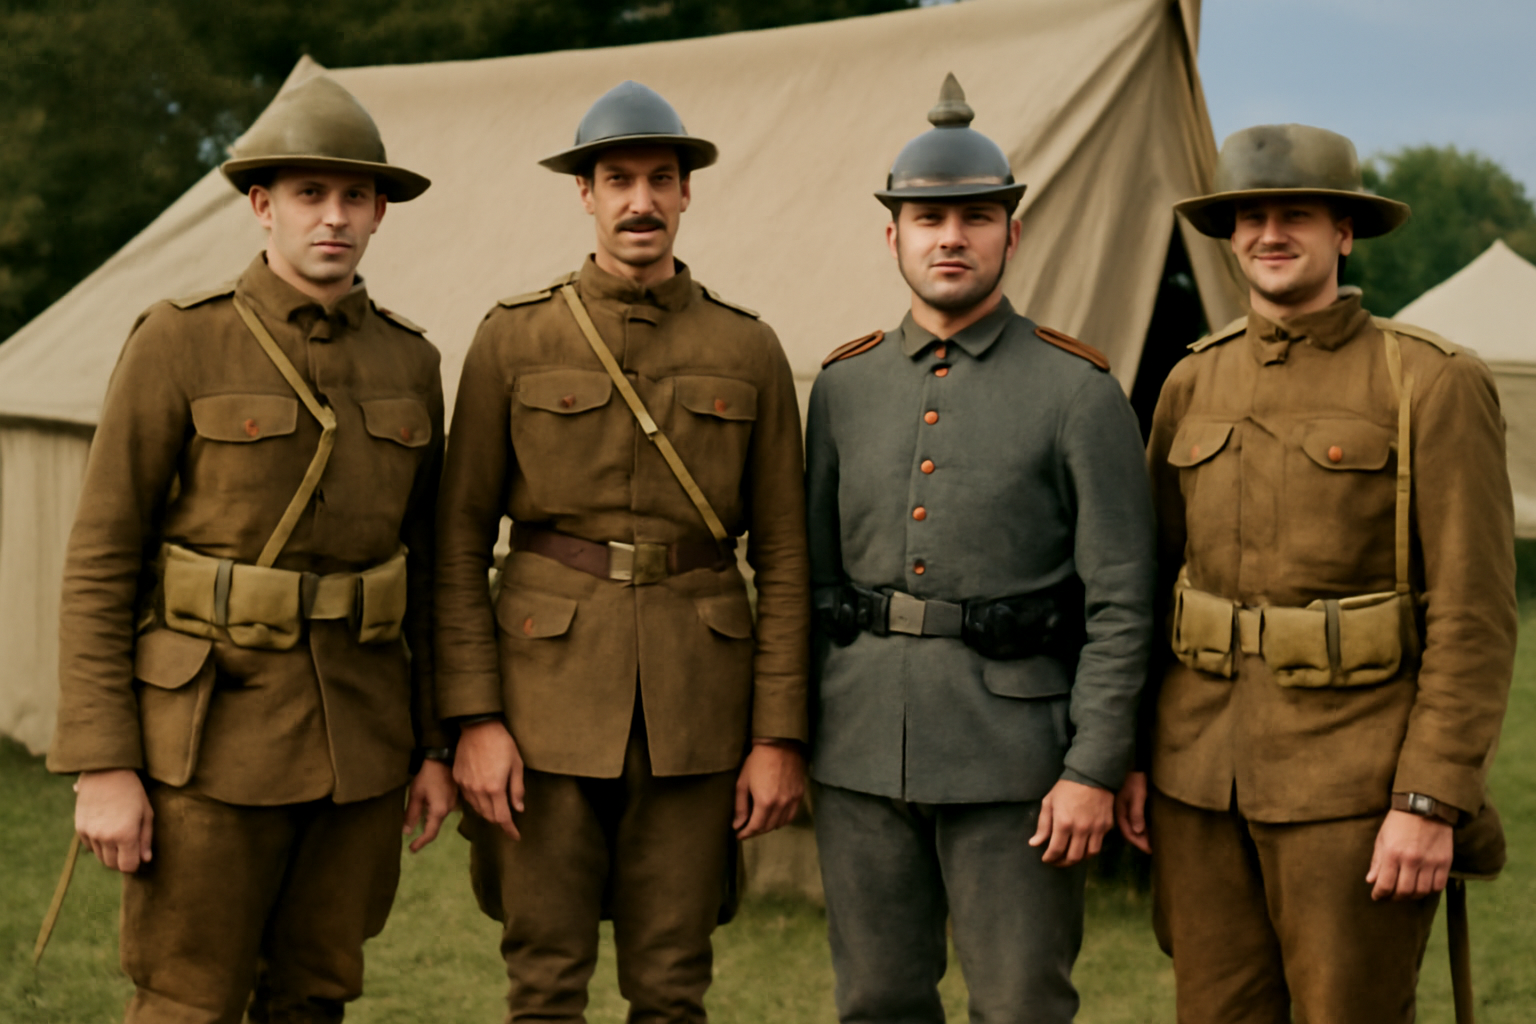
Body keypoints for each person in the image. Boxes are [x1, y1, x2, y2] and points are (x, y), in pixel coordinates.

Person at [45, 75, 456, 1023]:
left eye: (355, 196)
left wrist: (433, 743)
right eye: (309, 194)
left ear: (381, 212)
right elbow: (102, 561)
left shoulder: (412, 362)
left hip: (359, 737)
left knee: (315, 996)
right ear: (262, 205)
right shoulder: (178, 343)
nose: (334, 218)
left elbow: (433, 572)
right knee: (187, 999)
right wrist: (103, 763)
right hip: (207, 739)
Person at [1116, 123, 1517, 1023]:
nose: (1269, 233)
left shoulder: (1429, 383)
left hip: (1354, 789)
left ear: (1345, 231)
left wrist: (1430, 798)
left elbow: (1474, 616)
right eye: (1250, 216)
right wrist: (1134, 757)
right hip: (1199, 782)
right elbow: (1147, 587)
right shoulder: (1192, 384)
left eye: (1295, 213)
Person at [435, 80, 810, 1022]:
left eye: (659, 179)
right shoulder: (512, 338)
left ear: (687, 193)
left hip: (696, 707)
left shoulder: (749, 347)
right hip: (540, 704)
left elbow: (790, 558)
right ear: (585, 194)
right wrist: (474, 718)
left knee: (673, 985)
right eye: (617, 180)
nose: (639, 200)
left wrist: (776, 736)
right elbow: (455, 544)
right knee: (545, 980)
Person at [804, 74, 1156, 1024]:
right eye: (927, 218)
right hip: (860, 747)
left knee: (1021, 1004)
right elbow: (811, 578)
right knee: (876, 1000)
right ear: (894, 236)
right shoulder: (842, 388)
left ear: (1013, 231)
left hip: (1019, 761)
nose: (949, 237)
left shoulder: (1080, 392)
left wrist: (1091, 768)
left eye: (974, 216)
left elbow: (1124, 601)